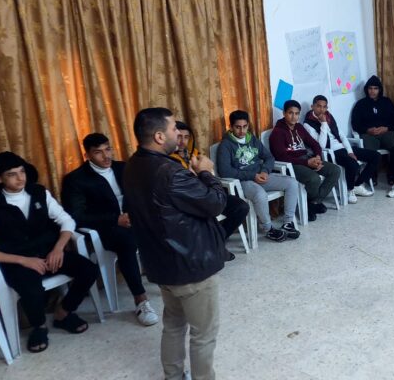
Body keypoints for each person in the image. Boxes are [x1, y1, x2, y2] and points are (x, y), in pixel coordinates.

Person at [123, 107, 228, 380]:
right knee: (203, 334)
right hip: (191, 265)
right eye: (173, 129)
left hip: (161, 263)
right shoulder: (170, 172)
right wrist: (206, 173)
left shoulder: (132, 165)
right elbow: (215, 203)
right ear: (159, 136)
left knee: (173, 324)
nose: (177, 134)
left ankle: (173, 376)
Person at [0, 152, 98, 353]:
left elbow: (66, 220)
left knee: (89, 270)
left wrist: (58, 249)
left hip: (49, 253)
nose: (20, 178)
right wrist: (23, 260)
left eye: (22, 171)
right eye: (12, 174)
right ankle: (38, 327)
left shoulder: (39, 192)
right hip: (17, 260)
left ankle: (63, 313)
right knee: (32, 290)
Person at [61, 133, 159, 326]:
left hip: (132, 220)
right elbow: (76, 216)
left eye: (108, 149)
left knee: (164, 224)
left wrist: (137, 214)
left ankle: (170, 277)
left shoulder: (123, 167)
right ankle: (141, 300)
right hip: (104, 229)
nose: (106, 156)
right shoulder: (76, 179)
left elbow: (141, 195)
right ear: (87, 155)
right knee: (126, 241)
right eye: (98, 152)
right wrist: (115, 219)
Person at [168, 120, 250, 256]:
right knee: (206, 214)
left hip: (208, 193)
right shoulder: (169, 159)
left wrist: (203, 172)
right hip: (191, 199)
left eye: (186, 137)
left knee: (241, 207)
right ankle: (215, 246)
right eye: (179, 137)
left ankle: (216, 242)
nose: (182, 141)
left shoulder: (194, 153)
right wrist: (196, 172)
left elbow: (209, 173)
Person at [216, 110, 300, 242]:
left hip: (260, 176)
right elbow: (225, 171)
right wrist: (252, 175)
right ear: (231, 127)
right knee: (260, 194)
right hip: (243, 181)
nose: (242, 131)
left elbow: (269, 157)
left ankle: (288, 223)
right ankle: (268, 229)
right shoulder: (226, 145)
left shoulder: (252, 139)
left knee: (292, 183)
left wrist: (265, 171)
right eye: (238, 127)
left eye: (245, 126)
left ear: (248, 125)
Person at [269, 100, 341, 222]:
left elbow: (315, 144)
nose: (294, 117)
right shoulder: (277, 132)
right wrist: (307, 163)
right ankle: (310, 204)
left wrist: (318, 157)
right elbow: (281, 157)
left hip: (307, 159)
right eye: (290, 113)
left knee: (335, 170)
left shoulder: (299, 127)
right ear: (284, 113)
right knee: (314, 179)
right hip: (291, 165)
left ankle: (313, 202)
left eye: (297, 113)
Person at [303, 95, 378, 204]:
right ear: (312, 106)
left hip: (342, 148)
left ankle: (357, 185)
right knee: (353, 164)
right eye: (318, 106)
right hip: (331, 152)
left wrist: (350, 151)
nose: (322, 110)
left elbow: (341, 136)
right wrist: (323, 123)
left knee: (376, 156)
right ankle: (350, 190)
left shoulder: (329, 117)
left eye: (324, 107)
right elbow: (321, 145)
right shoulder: (308, 124)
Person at [350, 75, 394, 183]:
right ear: (366, 89)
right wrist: (367, 130)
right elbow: (355, 124)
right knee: (369, 150)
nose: (372, 91)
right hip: (368, 134)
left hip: (386, 132)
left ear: (380, 90)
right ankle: (372, 176)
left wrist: (386, 128)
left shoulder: (387, 102)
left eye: (375, 88)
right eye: (370, 88)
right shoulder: (360, 104)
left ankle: (393, 175)